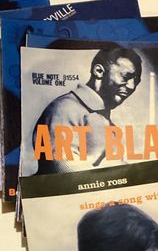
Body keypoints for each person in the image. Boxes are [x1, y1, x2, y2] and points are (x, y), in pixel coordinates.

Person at [33, 46, 142, 174]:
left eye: (136, 81)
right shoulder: (64, 109)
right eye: (125, 76)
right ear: (98, 71)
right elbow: (64, 171)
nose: (132, 86)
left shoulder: (102, 117)